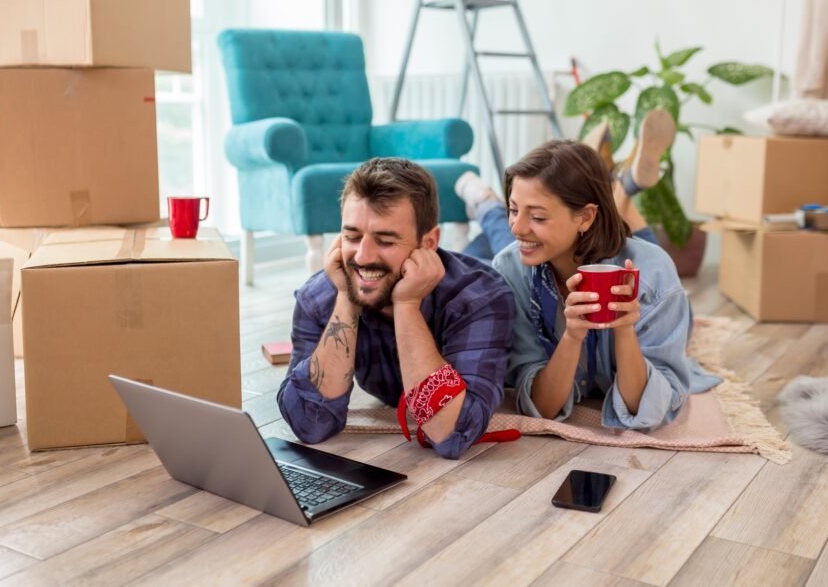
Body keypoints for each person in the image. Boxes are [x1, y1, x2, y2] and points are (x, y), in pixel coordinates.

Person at [455, 110, 720, 430]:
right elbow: (542, 408)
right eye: (511, 210)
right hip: (592, 239)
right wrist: (572, 335)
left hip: (650, 287)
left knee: (647, 261)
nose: (517, 227)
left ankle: (622, 192)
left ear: (584, 216)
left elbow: (645, 410)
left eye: (537, 217)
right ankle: (622, 189)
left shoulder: (654, 275)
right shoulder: (510, 270)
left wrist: (624, 329)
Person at [277, 157, 516, 459]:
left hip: (484, 268)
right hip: (441, 268)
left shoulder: (482, 295)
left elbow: (451, 433)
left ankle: (485, 203)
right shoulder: (319, 297)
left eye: (385, 240)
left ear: (428, 242)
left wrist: (407, 304)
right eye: (352, 236)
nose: (362, 257)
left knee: (509, 249)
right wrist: (347, 297)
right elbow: (310, 425)